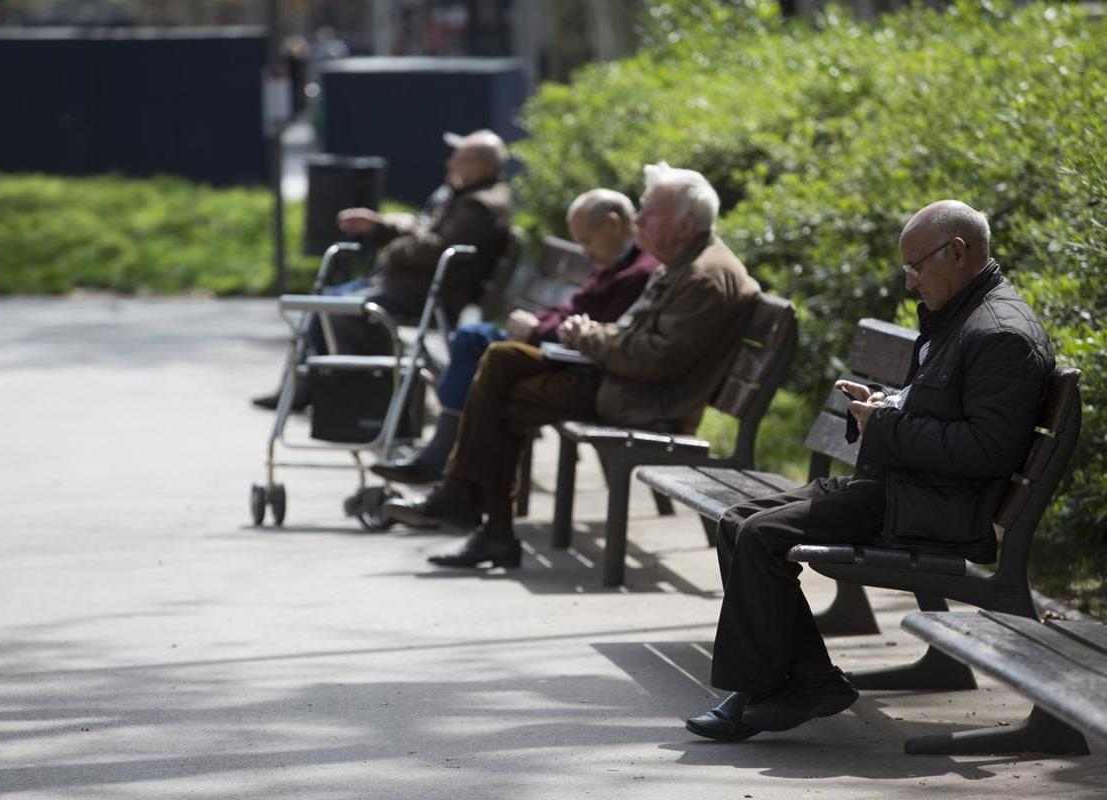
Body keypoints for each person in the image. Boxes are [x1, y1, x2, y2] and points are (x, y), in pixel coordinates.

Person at [685, 200, 1055, 742]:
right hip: (903, 486)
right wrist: (888, 401)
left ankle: (778, 689)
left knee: (762, 537)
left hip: (935, 507)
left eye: (915, 266)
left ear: (957, 252)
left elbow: (985, 451)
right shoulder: (963, 316)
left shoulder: (1000, 333)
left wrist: (882, 424)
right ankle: (807, 680)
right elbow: (942, 405)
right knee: (738, 520)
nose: (909, 282)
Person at [384, 162, 760, 569]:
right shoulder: (685, 260)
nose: (638, 221)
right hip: (626, 385)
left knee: (501, 376)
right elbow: (637, 340)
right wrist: (594, 333)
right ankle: (476, 514)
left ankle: (472, 510)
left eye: (649, 213)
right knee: (502, 367)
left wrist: (587, 335)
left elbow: (652, 360)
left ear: (685, 224)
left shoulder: (703, 276)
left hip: (646, 402)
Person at [370, 188, 660, 484]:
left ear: (612, 224)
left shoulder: (635, 273)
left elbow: (592, 329)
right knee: (476, 343)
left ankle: (447, 465)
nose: (585, 252)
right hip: (557, 349)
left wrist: (535, 329)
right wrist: (536, 323)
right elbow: (572, 310)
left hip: (575, 366)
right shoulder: (617, 263)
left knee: (482, 350)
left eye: (586, 241)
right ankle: (449, 465)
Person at [252, 129, 513, 409]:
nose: (450, 163)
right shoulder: (465, 196)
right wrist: (381, 226)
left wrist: (393, 248)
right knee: (326, 300)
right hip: (411, 286)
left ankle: (348, 393)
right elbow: (424, 229)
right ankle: (310, 386)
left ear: (477, 165)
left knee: (333, 306)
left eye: (458, 158)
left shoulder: (477, 206)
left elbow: (435, 249)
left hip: (425, 294)